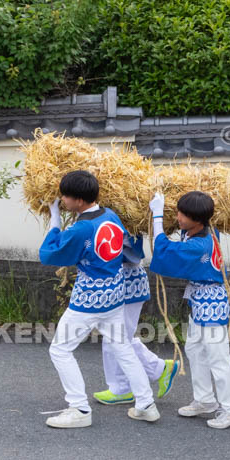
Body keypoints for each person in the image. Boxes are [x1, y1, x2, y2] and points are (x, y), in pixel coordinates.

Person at [38, 170, 159, 428]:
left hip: (89, 299)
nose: (63, 200)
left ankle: (80, 408)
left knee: (60, 349)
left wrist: (55, 220)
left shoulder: (82, 228)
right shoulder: (110, 215)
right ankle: (146, 404)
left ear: (79, 200)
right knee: (122, 347)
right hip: (114, 294)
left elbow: (49, 254)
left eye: (65, 197)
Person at [148, 190, 230, 428]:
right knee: (194, 350)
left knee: (218, 357)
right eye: (179, 212)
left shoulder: (199, 244)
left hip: (212, 302)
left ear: (198, 219)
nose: (179, 218)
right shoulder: (201, 232)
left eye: (184, 215)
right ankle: (205, 400)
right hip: (200, 300)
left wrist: (157, 216)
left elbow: (163, 249)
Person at [92, 234, 179, 406]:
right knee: (119, 338)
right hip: (118, 283)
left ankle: (122, 388)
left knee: (116, 339)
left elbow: (132, 253)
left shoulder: (124, 226)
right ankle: (159, 368)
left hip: (127, 283)